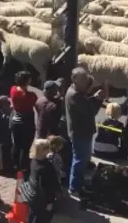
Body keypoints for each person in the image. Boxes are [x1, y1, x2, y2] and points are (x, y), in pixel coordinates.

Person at [64, 68, 107, 196]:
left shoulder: (77, 92)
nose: (86, 81)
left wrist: (94, 97)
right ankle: (74, 187)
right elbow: (90, 111)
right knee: (79, 160)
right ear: (75, 80)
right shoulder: (74, 95)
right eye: (83, 79)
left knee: (83, 158)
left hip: (83, 132)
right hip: (79, 133)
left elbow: (86, 103)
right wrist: (98, 99)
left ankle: (78, 183)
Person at [25, 139, 61, 223]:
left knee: (32, 214)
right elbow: (53, 183)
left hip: (33, 196)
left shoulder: (33, 162)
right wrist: (57, 198)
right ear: (44, 151)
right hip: (45, 200)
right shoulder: (47, 167)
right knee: (43, 218)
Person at [9, 71, 37, 175]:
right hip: (27, 122)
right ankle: (23, 168)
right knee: (25, 147)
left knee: (16, 144)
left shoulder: (13, 90)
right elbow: (35, 104)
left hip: (15, 120)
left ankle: (14, 165)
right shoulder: (30, 95)